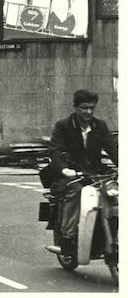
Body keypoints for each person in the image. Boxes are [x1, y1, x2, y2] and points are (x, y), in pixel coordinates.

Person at [49, 89, 118, 256]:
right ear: (76, 107)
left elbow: (113, 149)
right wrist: (65, 169)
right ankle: (67, 236)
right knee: (76, 192)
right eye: (84, 108)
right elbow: (55, 150)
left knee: (113, 191)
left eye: (92, 108)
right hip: (70, 174)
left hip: (94, 173)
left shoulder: (99, 125)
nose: (88, 112)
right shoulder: (64, 126)